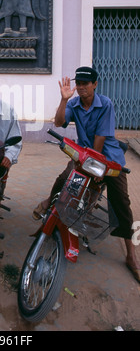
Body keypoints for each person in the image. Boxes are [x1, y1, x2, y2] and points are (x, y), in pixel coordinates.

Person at [33, 66, 140, 283]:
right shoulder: (74, 103)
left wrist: (97, 166)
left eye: (85, 83)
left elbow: (100, 137)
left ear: (95, 84)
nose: (81, 87)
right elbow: (58, 122)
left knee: (121, 202)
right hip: (84, 155)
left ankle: (131, 255)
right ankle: (49, 206)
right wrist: (64, 100)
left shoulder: (105, 104)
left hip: (108, 157)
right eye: (78, 83)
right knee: (65, 179)